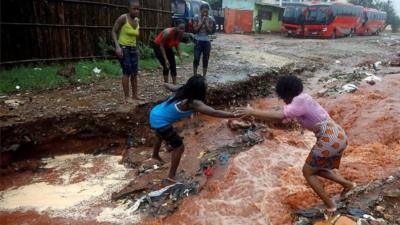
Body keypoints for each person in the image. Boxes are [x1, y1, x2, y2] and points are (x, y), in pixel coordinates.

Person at [238, 75, 356, 215]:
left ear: (286, 94)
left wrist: (252, 111)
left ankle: (331, 206)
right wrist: (256, 117)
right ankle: (348, 185)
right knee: (316, 169)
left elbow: (280, 116)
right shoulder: (302, 99)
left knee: (307, 172)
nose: (283, 100)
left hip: (329, 137)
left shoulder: (299, 101)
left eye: (282, 97)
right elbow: (282, 121)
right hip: (337, 135)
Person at [149, 75, 241, 182]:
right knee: (179, 147)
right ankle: (171, 176)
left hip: (155, 112)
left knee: (159, 135)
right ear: (199, 90)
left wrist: (164, 83)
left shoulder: (183, 89)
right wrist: (236, 115)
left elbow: (171, 87)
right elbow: (214, 112)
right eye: (205, 86)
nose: (207, 87)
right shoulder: (194, 103)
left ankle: (155, 155)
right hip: (160, 120)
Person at [112, 0, 142, 103]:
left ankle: (135, 95)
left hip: (133, 48)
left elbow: (136, 37)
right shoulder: (123, 18)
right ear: (129, 9)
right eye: (134, 8)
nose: (137, 11)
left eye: (138, 8)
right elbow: (114, 31)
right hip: (123, 48)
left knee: (134, 73)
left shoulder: (137, 20)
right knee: (127, 72)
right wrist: (117, 47)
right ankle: (127, 97)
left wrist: (137, 49)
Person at [193, 4, 215, 77]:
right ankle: (195, 75)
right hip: (198, 40)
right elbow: (195, 30)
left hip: (206, 41)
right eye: (203, 11)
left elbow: (210, 31)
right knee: (196, 58)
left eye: (206, 11)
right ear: (200, 11)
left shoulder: (210, 19)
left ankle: (204, 76)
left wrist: (205, 22)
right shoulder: (196, 17)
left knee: (206, 59)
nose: (205, 13)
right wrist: (202, 21)